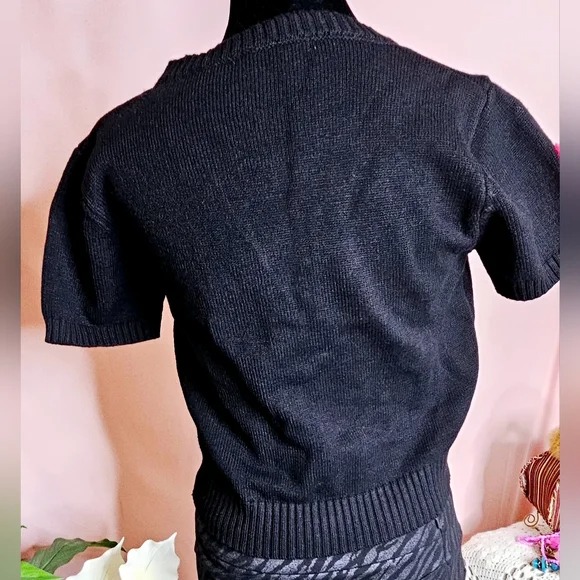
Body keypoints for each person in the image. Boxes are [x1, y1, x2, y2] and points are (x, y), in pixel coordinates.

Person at [40, 1, 559, 578]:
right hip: (407, 532)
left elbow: (105, 306)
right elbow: (539, 257)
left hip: (250, 543)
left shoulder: (132, 139)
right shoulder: (461, 112)